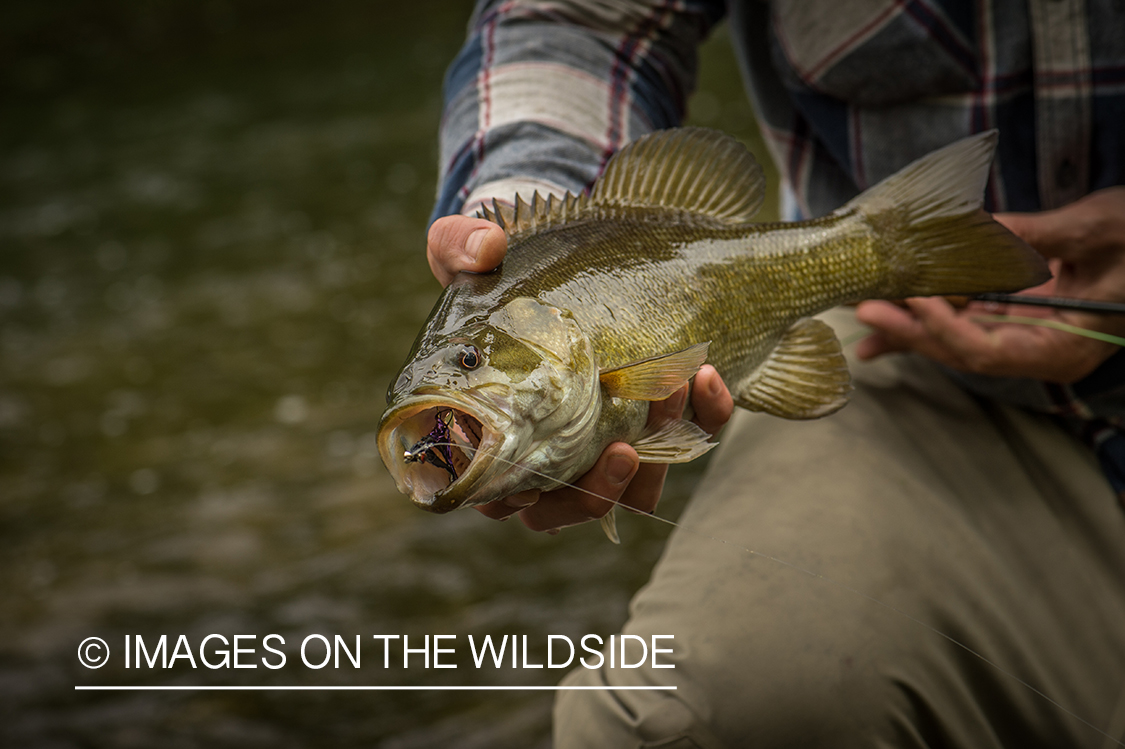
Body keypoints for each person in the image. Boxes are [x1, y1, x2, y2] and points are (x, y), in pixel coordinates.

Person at [426, 1, 1125, 746]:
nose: (458, 382)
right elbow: (578, 17)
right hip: (912, 342)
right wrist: (509, 225)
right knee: (657, 724)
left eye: (468, 360)